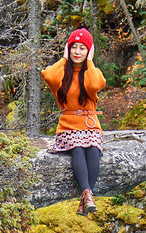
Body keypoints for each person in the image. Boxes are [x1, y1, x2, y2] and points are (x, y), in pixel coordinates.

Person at [41, 28, 107, 215]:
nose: (77, 52)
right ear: (68, 49)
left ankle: (86, 199)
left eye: (82, 48)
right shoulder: (62, 73)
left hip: (90, 123)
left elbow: (95, 84)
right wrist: (63, 59)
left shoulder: (91, 72)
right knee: (78, 149)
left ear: (89, 51)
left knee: (93, 149)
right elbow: (48, 75)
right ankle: (87, 198)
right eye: (74, 47)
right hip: (68, 125)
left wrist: (90, 62)